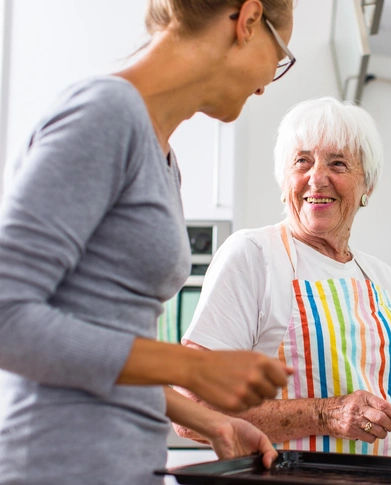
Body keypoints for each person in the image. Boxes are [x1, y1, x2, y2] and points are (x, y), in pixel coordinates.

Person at [0, 1, 297, 483]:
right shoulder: (105, 114)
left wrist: (213, 420)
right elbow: (6, 315)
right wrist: (192, 367)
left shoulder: (164, 158)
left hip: (126, 463)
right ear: (246, 21)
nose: (266, 83)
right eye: (279, 56)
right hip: (57, 465)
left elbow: (107, 349)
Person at [175, 97, 391, 457]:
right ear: (284, 178)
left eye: (337, 163)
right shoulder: (253, 254)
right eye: (302, 161)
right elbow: (190, 408)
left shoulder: (378, 276)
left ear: (367, 186)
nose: (317, 178)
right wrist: (326, 415)